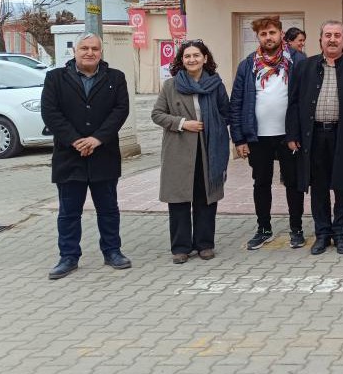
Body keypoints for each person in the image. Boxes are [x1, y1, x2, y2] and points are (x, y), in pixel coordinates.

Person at [40, 33, 131, 280]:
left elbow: (120, 111)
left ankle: (112, 251)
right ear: (75, 51)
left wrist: (96, 139)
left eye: (94, 48)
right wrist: (75, 140)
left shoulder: (115, 78)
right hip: (69, 155)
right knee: (69, 211)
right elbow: (50, 113)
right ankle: (68, 257)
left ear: (101, 52)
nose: (89, 52)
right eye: (84, 48)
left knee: (108, 209)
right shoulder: (55, 78)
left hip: (104, 154)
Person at [286, 20, 343, 255]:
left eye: (337, 35)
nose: (332, 39)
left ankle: (341, 234)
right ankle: (323, 234)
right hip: (313, 137)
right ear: (320, 39)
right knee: (319, 187)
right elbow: (293, 102)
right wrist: (292, 133)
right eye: (328, 35)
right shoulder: (304, 67)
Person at [229, 15, 307, 250]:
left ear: (281, 34)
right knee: (261, 182)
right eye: (263, 34)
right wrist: (239, 138)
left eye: (272, 32)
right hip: (257, 136)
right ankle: (264, 229)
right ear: (258, 37)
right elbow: (236, 102)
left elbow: (305, 99)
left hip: (289, 135)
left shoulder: (297, 60)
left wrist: (301, 133)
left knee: (293, 183)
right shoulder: (248, 64)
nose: (268, 37)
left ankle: (297, 229)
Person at [151, 40, 230, 264]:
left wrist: (213, 126)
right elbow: (157, 114)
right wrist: (183, 123)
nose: (192, 60)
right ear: (181, 60)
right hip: (179, 149)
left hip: (208, 149)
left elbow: (226, 112)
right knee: (179, 200)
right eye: (187, 56)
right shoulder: (171, 85)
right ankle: (181, 247)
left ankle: (205, 244)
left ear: (205, 58)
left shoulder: (215, 84)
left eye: (196, 55)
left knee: (205, 198)